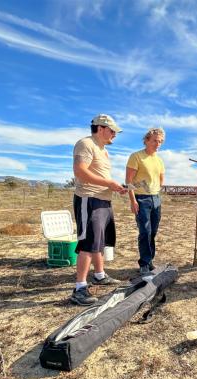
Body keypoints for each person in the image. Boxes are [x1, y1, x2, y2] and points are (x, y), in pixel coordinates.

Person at [70, 114, 128, 306]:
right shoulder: (85, 144)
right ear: (101, 128)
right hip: (89, 199)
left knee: (99, 241)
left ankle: (99, 275)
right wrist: (109, 183)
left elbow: (100, 176)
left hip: (103, 200)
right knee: (87, 243)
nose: (115, 135)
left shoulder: (103, 150)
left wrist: (115, 187)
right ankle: (79, 288)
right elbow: (80, 171)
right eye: (112, 131)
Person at [125, 127, 166, 276]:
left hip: (156, 199)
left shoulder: (159, 160)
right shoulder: (136, 156)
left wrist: (155, 192)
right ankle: (143, 263)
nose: (158, 143)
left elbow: (161, 180)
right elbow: (128, 181)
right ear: (147, 140)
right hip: (141, 199)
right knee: (145, 232)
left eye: (160, 141)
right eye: (155, 140)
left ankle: (149, 261)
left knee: (153, 232)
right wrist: (133, 200)